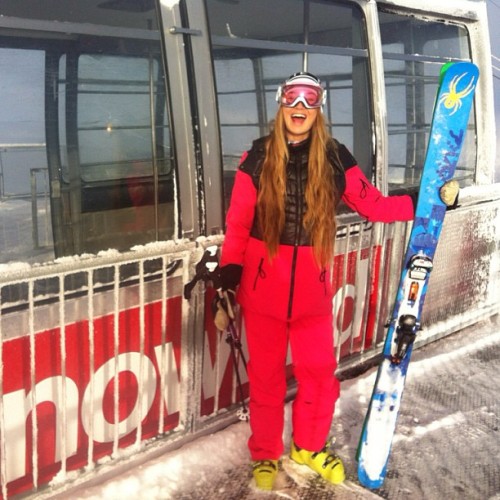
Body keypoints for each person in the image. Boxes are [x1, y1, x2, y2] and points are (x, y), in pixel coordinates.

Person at [215, 72, 458, 491]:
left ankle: (307, 447)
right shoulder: (254, 158)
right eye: (293, 97)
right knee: (267, 378)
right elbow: (237, 227)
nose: (300, 107)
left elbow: (377, 206)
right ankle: (266, 452)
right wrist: (227, 282)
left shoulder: (334, 157)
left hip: (311, 294)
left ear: (319, 109)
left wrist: (429, 197)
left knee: (320, 376)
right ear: (281, 103)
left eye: (310, 100)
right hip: (262, 292)